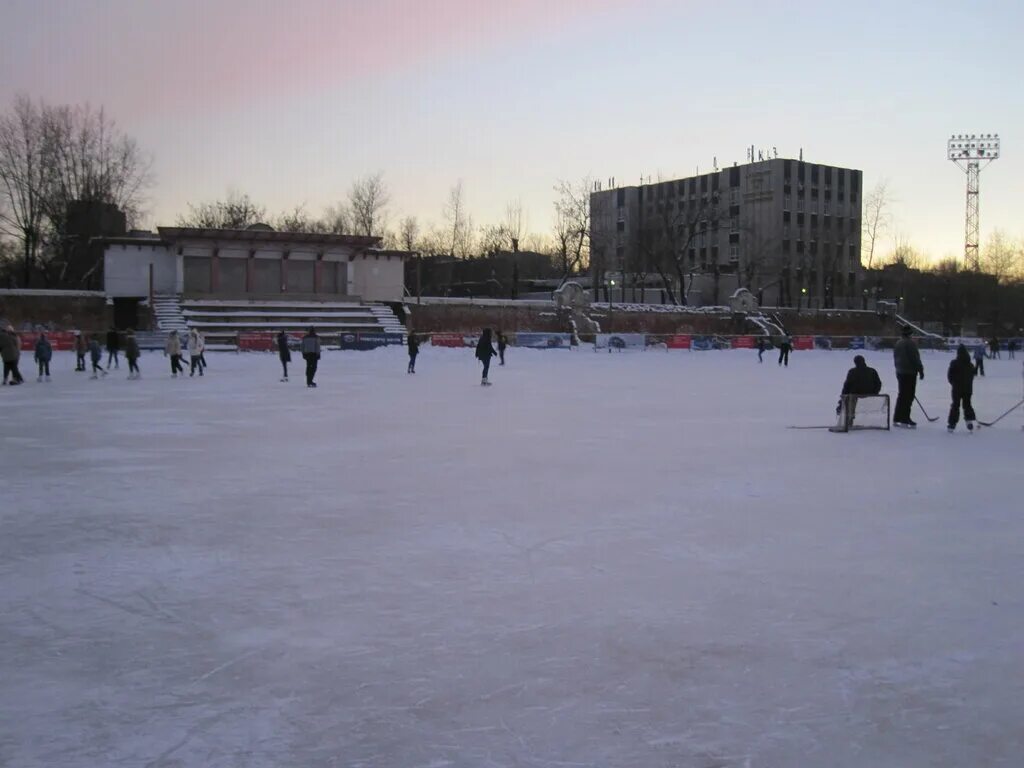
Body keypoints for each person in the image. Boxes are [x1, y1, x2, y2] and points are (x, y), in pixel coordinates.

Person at [836, 354, 882, 426]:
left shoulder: (852, 371)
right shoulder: (872, 371)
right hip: (870, 393)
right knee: (852, 397)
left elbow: (847, 386)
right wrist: (875, 392)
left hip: (855, 394)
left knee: (850, 398)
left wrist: (842, 397)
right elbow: (878, 383)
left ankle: (849, 419)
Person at [892, 325, 924, 428]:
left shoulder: (898, 343)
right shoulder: (910, 343)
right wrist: (920, 370)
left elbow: (896, 358)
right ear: (910, 334)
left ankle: (897, 417)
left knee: (902, 395)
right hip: (909, 373)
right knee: (908, 396)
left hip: (900, 372)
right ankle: (905, 418)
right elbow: (915, 358)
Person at [947, 344, 977, 433]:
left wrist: (953, 383)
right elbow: (973, 375)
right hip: (968, 388)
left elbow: (950, 376)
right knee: (967, 404)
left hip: (957, 388)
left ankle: (952, 424)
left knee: (955, 405)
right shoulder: (970, 365)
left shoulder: (954, 363)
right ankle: (969, 421)